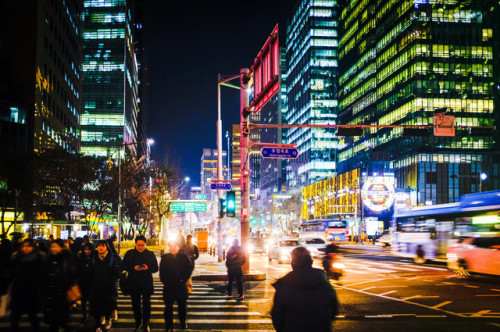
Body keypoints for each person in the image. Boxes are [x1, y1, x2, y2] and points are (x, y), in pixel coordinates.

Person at [271, 247, 339, 332]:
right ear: (310, 262)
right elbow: (334, 310)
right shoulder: (324, 282)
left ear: (293, 264)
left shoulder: (284, 285)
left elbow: (277, 316)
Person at [121, 235, 158, 332]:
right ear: (135, 244)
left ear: (145, 244)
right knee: (135, 305)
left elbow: (155, 268)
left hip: (146, 283)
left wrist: (147, 268)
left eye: (142, 245)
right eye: (138, 245)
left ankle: (146, 324)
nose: (140, 247)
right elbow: (123, 265)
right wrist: (133, 268)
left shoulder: (150, 254)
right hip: (134, 282)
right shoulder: (130, 253)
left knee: (147, 305)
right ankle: (138, 323)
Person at [10, 239, 44, 332]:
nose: (26, 248)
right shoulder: (17, 258)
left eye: (29, 246)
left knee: (32, 317)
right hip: (18, 292)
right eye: (24, 246)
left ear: (33, 247)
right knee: (14, 317)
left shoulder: (37, 259)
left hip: (31, 293)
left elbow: (40, 276)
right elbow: (12, 273)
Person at [43, 239, 77, 332]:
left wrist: (64, 285)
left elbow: (72, 274)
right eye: (52, 246)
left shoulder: (67, 258)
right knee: (56, 320)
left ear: (61, 248)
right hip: (51, 293)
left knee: (60, 319)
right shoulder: (50, 258)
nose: (53, 248)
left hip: (62, 293)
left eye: (55, 246)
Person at [160, 241, 193, 331]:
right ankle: (168, 326)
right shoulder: (165, 257)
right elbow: (162, 271)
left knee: (182, 306)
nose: (173, 247)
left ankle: (183, 322)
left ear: (178, 246)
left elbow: (189, 269)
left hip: (180, 285)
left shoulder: (184, 257)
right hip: (169, 286)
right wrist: (165, 281)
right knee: (168, 308)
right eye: (171, 245)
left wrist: (183, 279)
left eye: (174, 245)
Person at [89, 240, 121, 331]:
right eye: (99, 246)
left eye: (103, 246)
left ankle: (108, 320)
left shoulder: (111, 258)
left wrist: (110, 282)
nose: (100, 248)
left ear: (106, 247)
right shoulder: (94, 258)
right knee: (96, 307)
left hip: (108, 287)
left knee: (107, 305)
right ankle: (98, 325)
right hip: (96, 287)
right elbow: (90, 272)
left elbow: (116, 273)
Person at [77, 243, 94, 321]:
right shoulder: (81, 258)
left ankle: (91, 315)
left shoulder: (94, 258)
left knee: (91, 300)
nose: (87, 251)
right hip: (82, 283)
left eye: (89, 250)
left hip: (91, 283)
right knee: (83, 301)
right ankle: (84, 315)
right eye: (86, 250)